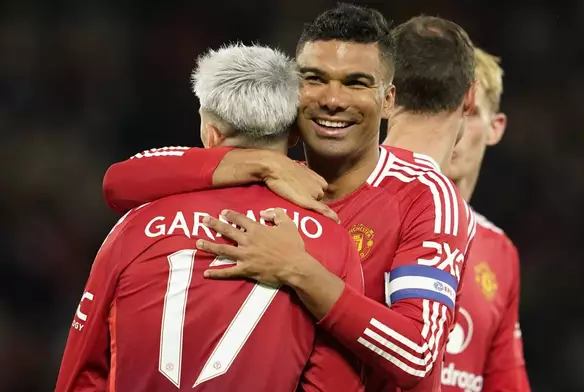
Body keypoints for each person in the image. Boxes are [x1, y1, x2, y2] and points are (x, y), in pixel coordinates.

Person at [101, 4, 476, 391]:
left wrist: (299, 270)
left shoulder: (424, 195)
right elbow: (120, 182)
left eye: (356, 83)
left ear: (388, 101)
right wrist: (258, 163)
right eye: (314, 78)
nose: (333, 99)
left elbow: (416, 354)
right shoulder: (265, 181)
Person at [54, 43, 364, 392]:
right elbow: (334, 382)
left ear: (210, 133)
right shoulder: (328, 235)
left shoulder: (136, 226)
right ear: (294, 134)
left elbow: (84, 372)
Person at [440, 48, 531, 392]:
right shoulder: (376, 216)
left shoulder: (500, 252)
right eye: (445, 110)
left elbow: (507, 381)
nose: (457, 129)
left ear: (496, 128)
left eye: (471, 113)